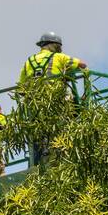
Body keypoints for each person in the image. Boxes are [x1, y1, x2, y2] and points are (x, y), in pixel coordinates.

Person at [18, 31, 88, 166]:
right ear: (54, 45)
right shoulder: (60, 57)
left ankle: (36, 163)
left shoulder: (29, 61)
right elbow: (83, 65)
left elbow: (21, 87)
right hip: (56, 103)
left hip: (35, 105)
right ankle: (64, 156)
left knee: (38, 134)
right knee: (65, 124)